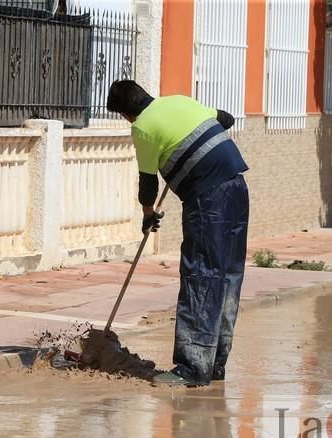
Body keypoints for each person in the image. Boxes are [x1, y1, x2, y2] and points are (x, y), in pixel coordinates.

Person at [106, 80, 249, 387]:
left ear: (125, 113)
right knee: (227, 276)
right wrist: (186, 151)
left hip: (208, 200)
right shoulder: (179, 102)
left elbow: (148, 184)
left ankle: (192, 369)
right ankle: (215, 365)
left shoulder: (142, 127)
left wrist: (148, 215)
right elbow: (225, 119)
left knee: (201, 275)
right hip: (237, 189)